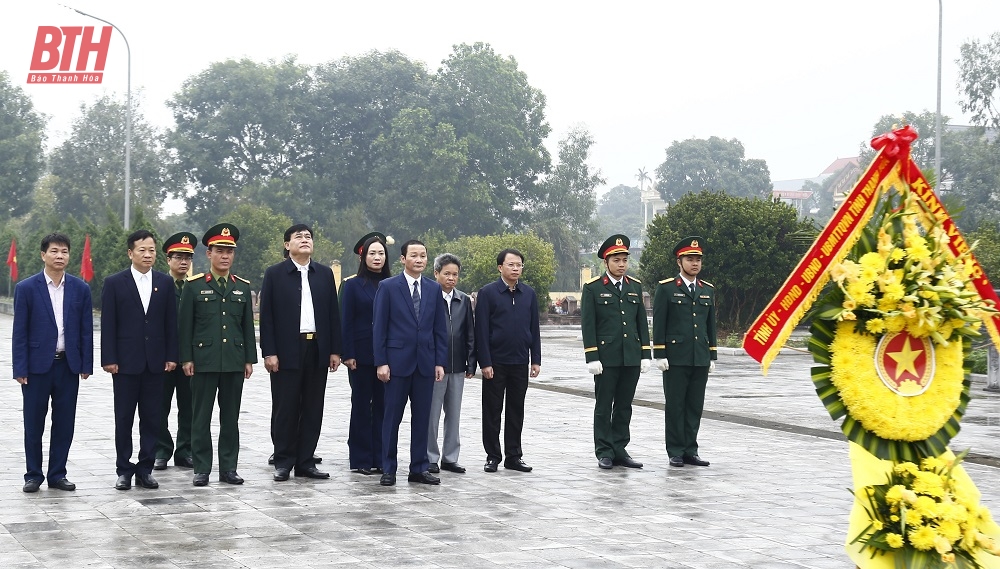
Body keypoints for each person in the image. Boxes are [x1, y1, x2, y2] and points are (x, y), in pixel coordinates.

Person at [259, 224, 342, 482]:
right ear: (287, 245)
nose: (305, 240)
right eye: (299, 237)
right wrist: (269, 352)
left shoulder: (324, 274)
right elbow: (267, 316)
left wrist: (334, 350)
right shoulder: (275, 274)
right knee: (286, 405)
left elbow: (332, 314)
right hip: (286, 349)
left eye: (308, 237)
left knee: (313, 405)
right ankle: (283, 460)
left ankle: (306, 461)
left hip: (316, 347)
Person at [12, 233, 93, 493]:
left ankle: (57, 474)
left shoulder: (80, 288)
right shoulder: (26, 288)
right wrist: (20, 368)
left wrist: (86, 364)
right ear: (43, 255)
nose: (60, 256)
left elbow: (85, 330)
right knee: (34, 423)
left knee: (64, 422)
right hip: (36, 368)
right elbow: (20, 331)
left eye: (65, 251)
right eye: (55, 251)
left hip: (68, 365)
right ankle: (33, 475)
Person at [178, 223, 257, 486]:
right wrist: (186, 358)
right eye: (219, 251)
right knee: (200, 417)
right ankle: (201, 468)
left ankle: (228, 468)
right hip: (204, 361)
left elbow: (247, 326)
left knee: (230, 418)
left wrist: (249, 359)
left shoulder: (242, 287)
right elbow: (185, 326)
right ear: (208, 254)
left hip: (234, 361)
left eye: (229, 252)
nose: (225, 256)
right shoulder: (194, 286)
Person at [101, 230, 178, 491]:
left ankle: (145, 468)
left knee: (152, 418)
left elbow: (170, 323)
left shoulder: (164, 283)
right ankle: (124, 469)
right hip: (124, 363)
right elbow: (108, 324)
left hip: (155, 363)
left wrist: (171, 356)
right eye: (142, 250)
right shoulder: (114, 282)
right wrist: (109, 358)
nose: (148, 254)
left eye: (152, 250)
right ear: (130, 253)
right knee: (123, 418)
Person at [372, 240, 448, 486]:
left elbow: (439, 328)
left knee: (422, 418)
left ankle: (418, 467)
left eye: (423, 255)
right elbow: (379, 328)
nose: (419, 260)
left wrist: (440, 362)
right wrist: (381, 362)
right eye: (413, 255)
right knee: (391, 417)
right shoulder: (388, 287)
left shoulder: (433, 289)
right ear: (403, 259)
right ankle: (388, 468)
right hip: (396, 364)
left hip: (425, 363)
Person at [581, 235, 651, 470]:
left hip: (630, 355)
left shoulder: (635, 286)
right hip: (606, 358)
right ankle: (604, 450)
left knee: (624, 405)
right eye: (616, 260)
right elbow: (588, 325)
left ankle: (620, 448)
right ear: (606, 262)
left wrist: (645, 353)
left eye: (624, 260)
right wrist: (592, 356)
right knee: (603, 405)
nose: (621, 265)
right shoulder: (593, 288)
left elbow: (641, 322)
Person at [652, 236, 717, 468]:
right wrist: (659, 353)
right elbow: (659, 323)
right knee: (676, 404)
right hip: (675, 358)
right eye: (690, 259)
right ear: (679, 262)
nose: (695, 263)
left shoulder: (707, 290)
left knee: (694, 405)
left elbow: (710, 324)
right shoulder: (667, 288)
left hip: (699, 356)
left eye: (698, 259)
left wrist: (712, 354)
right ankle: (676, 450)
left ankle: (691, 449)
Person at [475, 248, 541, 474]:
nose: (516, 269)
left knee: (516, 410)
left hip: (520, 361)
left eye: (519, 265)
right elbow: (481, 330)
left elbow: (534, 328)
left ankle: (514, 455)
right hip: (495, 362)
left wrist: (536, 359)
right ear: (500, 267)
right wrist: (484, 362)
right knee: (492, 410)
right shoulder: (488, 293)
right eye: (511, 265)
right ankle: (493, 455)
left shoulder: (529, 294)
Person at [340, 232, 392, 476]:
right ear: (363, 257)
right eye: (372, 253)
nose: (377, 257)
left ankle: (381, 457)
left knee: (383, 406)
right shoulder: (351, 285)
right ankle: (360, 457)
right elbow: (346, 321)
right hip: (360, 355)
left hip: (387, 356)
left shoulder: (393, 284)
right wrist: (347, 353)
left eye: (381, 253)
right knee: (361, 405)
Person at [426, 253, 476, 475]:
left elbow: (469, 333)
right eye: (446, 273)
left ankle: (450, 457)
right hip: (435, 366)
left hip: (457, 365)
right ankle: (429, 457)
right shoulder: (428, 296)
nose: (451, 278)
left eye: (455, 274)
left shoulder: (463, 300)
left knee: (454, 413)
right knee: (432, 414)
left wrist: (471, 362)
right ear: (436, 273)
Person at [154, 232, 197, 471]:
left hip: (190, 358)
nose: (183, 262)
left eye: (187, 257)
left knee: (189, 406)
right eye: (178, 257)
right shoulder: (159, 286)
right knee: (159, 406)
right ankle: (161, 449)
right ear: (168, 259)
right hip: (163, 359)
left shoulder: (196, 287)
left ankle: (185, 450)